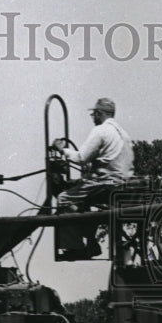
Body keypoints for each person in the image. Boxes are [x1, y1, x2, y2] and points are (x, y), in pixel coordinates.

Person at [51, 97, 134, 259]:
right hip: (123, 183)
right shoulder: (124, 134)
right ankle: (90, 241)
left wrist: (62, 150)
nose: (93, 118)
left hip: (106, 182)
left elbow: (81, 157)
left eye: (94, 114)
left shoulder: (101, 130)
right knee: (82, 196)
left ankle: (76, 248)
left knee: (63, 199)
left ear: (99, 113)